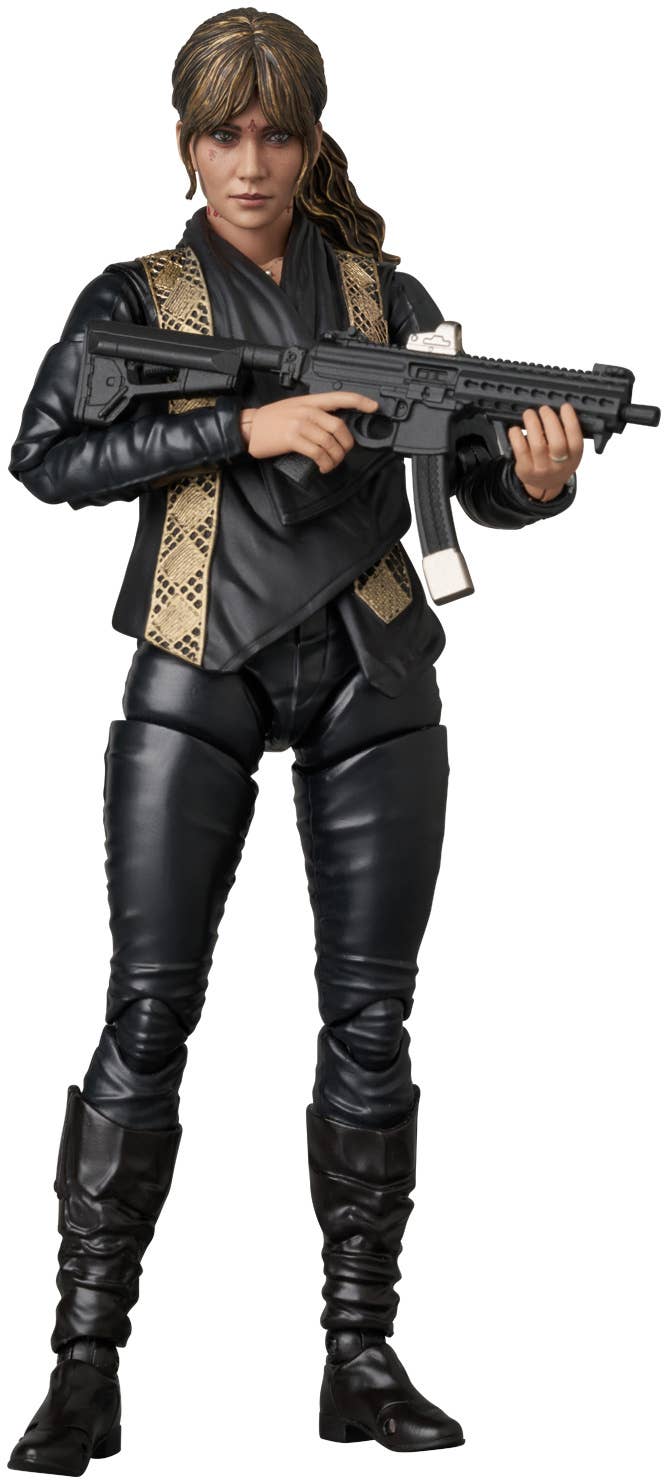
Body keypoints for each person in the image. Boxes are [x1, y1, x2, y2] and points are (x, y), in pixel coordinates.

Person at [6, 6, 582, 1470]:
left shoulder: (387, 294)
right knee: (150, 1013)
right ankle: (84, 1365)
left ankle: (360, 1356)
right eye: (225, 134)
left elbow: (472, 472)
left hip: (368, 665)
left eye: (276, 133)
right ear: (186, 142)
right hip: (197, 654)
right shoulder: (137, 298)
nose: (251, 163)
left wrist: (534, 480)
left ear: (312, 139)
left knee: (373, 1022)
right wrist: (238, 430)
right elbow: (47, 458)